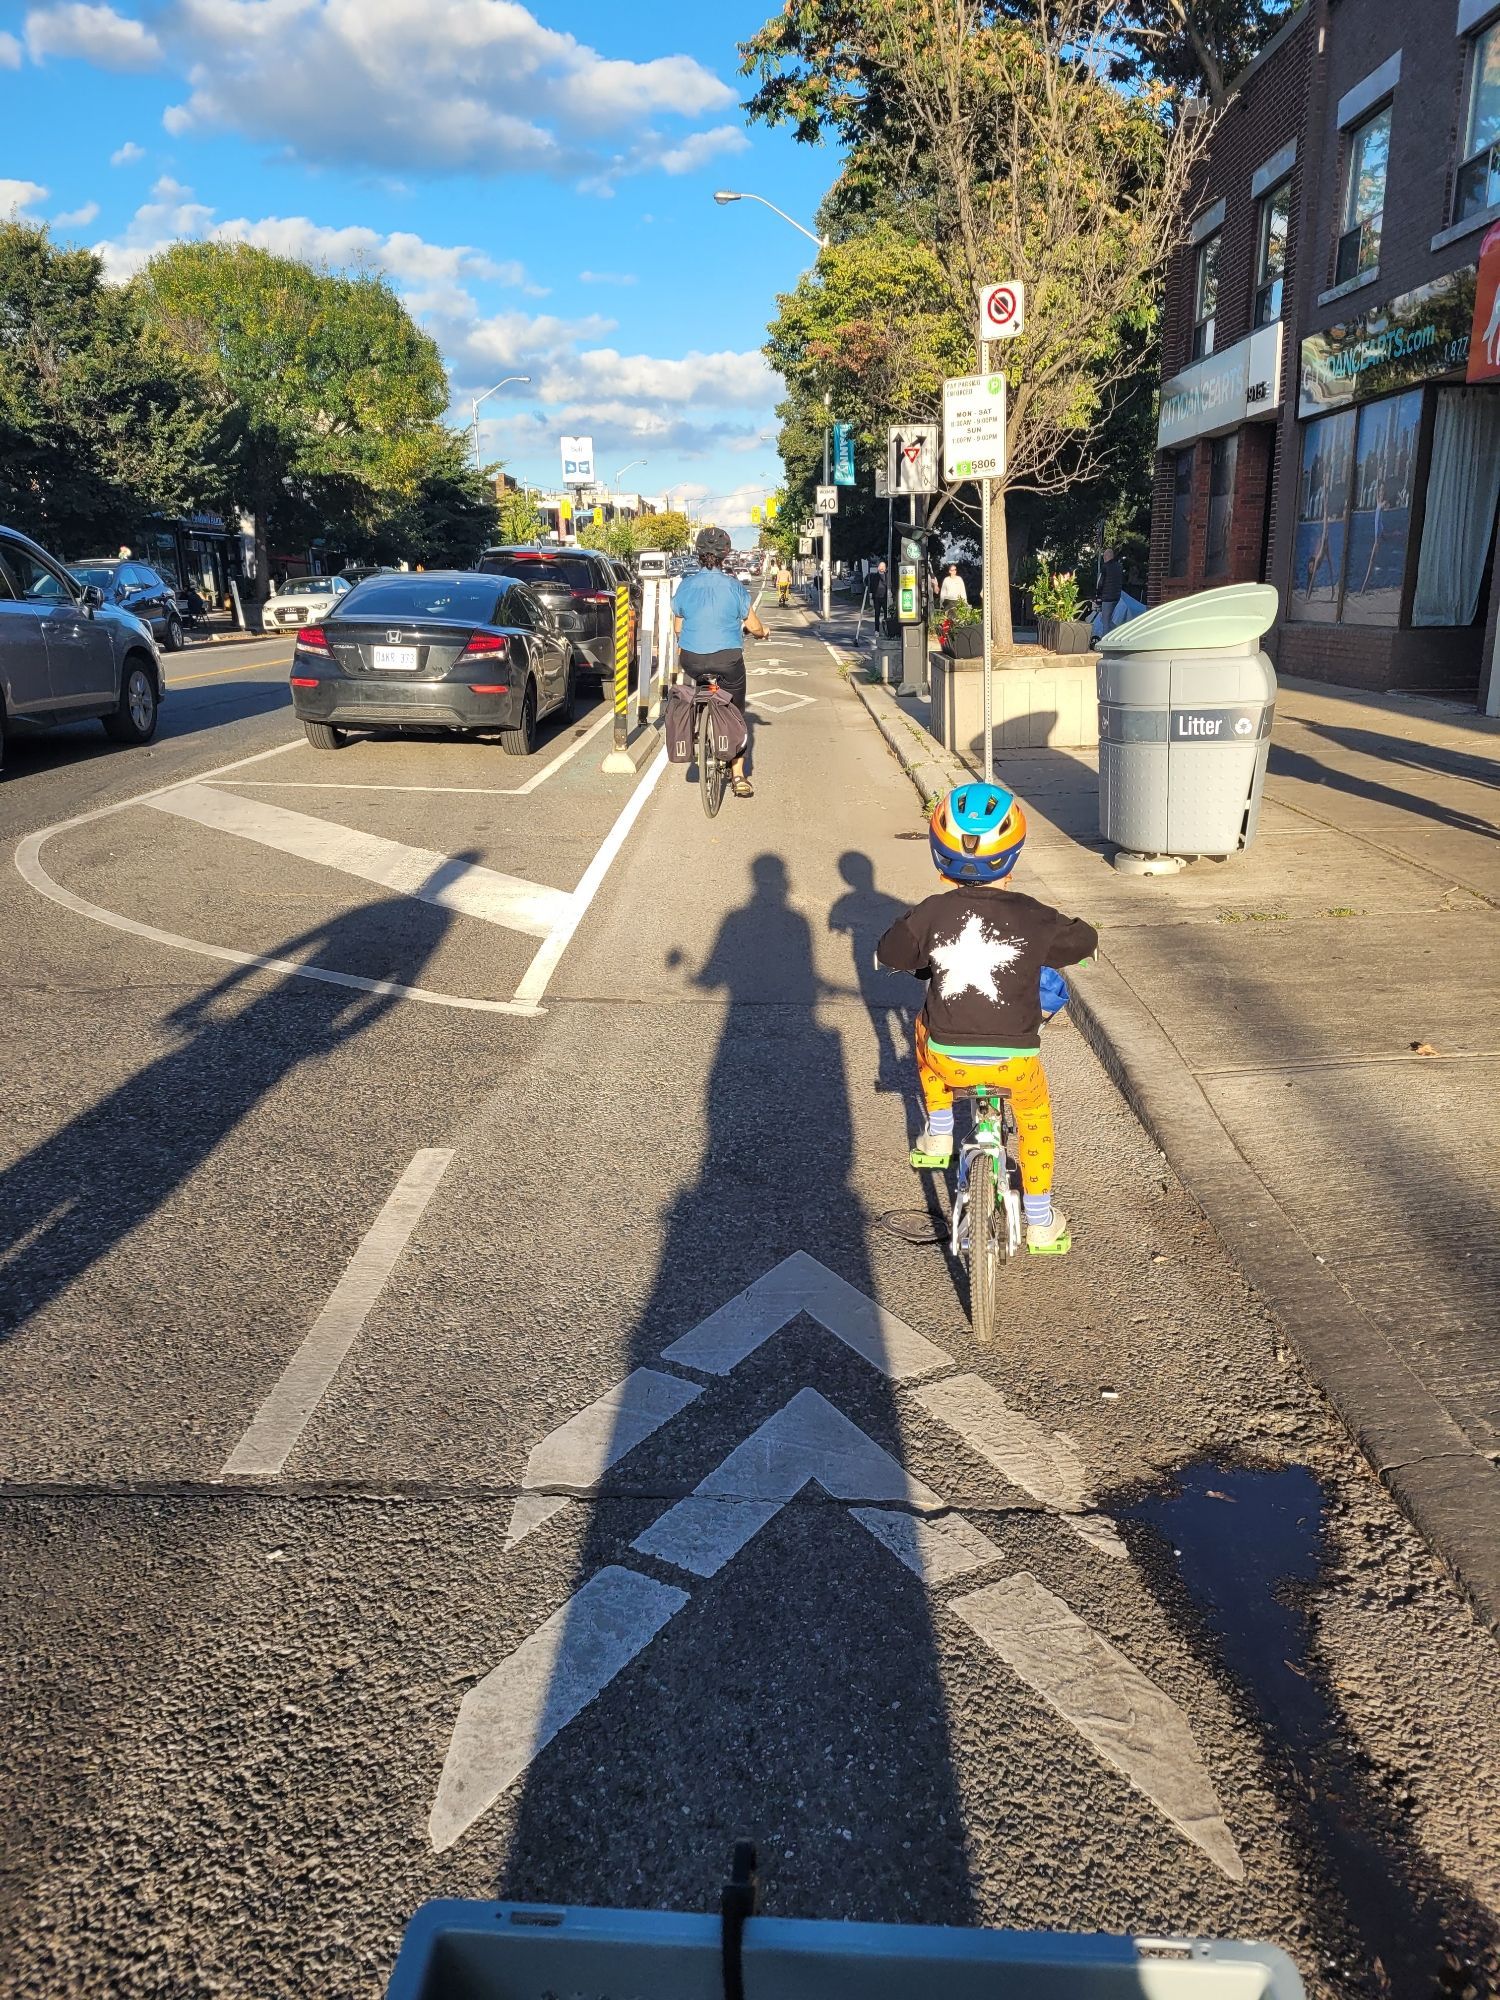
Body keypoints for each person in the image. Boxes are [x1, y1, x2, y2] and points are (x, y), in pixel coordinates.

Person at [876, 783, 1097, 1255]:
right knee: (1035, 1119)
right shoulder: (1035, 916)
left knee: (923, 1032)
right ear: (1014, 852)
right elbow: (1082, 940)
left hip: (948, 1060)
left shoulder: (931, 914)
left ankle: (938, 1132)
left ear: (939, 857)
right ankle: (1039, 1220)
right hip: (1015, 1062)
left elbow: (890, 950)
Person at [672, 525, 767, 799]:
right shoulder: (734, 586)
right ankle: (739, 777)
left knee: (700, 680)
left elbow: (678, 628)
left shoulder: (686, 585)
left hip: (691, 660)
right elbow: (754, 626)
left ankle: (699, 727)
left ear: (698, 554)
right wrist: (762, 633)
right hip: (727, 660)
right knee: (736, 713)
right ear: (725, 555)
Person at [1097, 545, 1123, 631]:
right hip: (1116, 597)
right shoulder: (1119, 566)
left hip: (1107, 597)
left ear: (1108, 556)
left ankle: (1104, 641)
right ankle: (1118, 631)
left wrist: (1098, 595)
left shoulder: (1105, 567)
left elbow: (1100, 583)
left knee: (1105, 621)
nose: (1103, 557)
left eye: (1104, 556)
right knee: (1107, 619)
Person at [869, 559, 890, 633]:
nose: (882, 568)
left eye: (883, 566)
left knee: (886, 614)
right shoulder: (874, 576)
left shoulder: (887, 576)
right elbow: (870, 584)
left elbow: (887, 584)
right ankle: (876, 630)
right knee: (877, 614)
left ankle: (886, 629)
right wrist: (871, 594)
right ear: (878, 568)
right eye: (880, 566)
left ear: (885, 568)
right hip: (877, 598)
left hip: (885, 597)